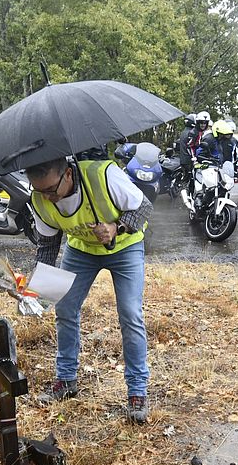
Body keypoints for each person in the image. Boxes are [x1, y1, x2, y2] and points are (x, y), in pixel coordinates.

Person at [26, 155, 154, 423]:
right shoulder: (39, 198)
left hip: (124, 248)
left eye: (51, 190)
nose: (47, 197)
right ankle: (66, 380)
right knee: (64, 307)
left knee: (130, 314)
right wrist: (35, 287)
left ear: (68, 174)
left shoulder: (103, 175)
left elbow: (144, 207)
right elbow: (48, 246)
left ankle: (137, 392)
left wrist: (116, 227)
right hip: (81, 250)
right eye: (40, 191)